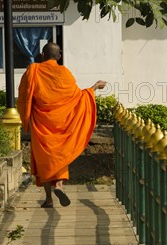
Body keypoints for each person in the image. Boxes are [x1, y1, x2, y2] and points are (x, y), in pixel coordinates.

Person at [17, 42, 106, 208]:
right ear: (58, 57)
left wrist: (26, 117)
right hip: (62, 124)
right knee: (60, 155)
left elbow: (24, 96)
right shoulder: (64, 73)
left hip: (41, 124)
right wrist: (94, 87)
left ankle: (49, 199)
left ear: (42, 55)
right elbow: (78, 97)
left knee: (43, 160)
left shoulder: (33, 70)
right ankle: (58, 185)